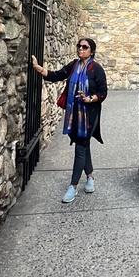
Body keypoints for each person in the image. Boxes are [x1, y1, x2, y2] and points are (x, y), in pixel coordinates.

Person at [31, 38, 108, 203]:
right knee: (83, 145)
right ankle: (90, 177)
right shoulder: (74, 65)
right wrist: (39, 69)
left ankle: (73, 187)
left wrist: (89, 99)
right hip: (74, 114)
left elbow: (103, 92)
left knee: (80, 147)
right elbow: (58, 75)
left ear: (91, 51)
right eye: (79, 46)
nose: (81, 49)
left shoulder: (96, 69)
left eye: (85, 47)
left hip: (89, 115)